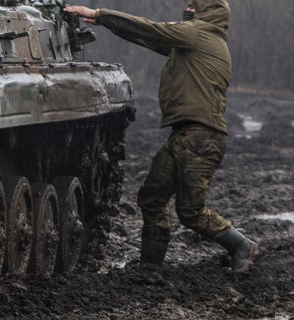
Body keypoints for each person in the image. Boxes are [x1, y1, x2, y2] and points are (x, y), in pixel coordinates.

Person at [64, 0, 259, 272]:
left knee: (191, 211)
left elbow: (152, 28)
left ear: (207, 11)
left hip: (202, 137)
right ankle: (150, 266)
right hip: (186, 135)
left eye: (194, 5)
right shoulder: (194, 40)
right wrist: (106, 22)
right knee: (152, 197)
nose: (188, 8)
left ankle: (241, 246)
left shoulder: (199, 34)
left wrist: (100, 13)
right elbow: (147, 36)